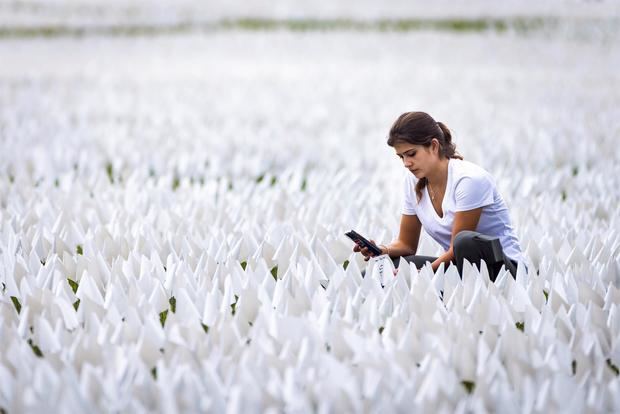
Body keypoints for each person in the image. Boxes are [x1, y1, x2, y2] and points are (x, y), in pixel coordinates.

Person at [354, 111, 525, 281]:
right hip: (459, 267)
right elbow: (406, 244)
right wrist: (381, 250)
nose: (406, 163)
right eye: (401, 157)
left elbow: (456, 250)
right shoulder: (413, 181)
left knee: (465, 242)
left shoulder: (469, 180)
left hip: (504, 270)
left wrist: (420, 274)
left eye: (412, 154)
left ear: (434, 146)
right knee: (391, 265)